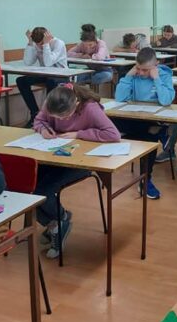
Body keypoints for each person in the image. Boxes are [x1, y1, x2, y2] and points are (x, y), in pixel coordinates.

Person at [33, 83, 121, 259]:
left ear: (76, 104)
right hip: (53, 156)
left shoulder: (90, 108)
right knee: (28, 188)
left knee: (42, 191)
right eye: (56, 117)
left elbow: (113, 135)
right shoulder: (52, 101)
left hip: (81, 162)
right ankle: (58, 222)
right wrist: (43, 129)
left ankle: (57, 223)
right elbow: (39, 120)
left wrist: (79, 134)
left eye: (64, 117)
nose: (61, 120)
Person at [115, 47, 175, 199]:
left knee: (149, 139)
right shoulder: (134, 75)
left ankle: (145, 180)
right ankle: (159, 132)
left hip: (156, 117)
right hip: (137, 118)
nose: (141, 73)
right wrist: (128, 75)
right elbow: (119, 98)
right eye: (138, 68)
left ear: (156, 65)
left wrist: (156, 79)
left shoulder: (164, 76)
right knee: (111, 121)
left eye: (146, 70)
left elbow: (166, 100)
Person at [17, 26, 68, 125]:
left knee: (51, 81)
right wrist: (30, 43)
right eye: (37, 44)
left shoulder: (59, 43)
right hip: (45, 74)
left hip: (61, 74)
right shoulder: (36, 44)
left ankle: (48, 116)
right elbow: (28, 62)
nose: (39, 46)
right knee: (21, 81)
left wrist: (46, 44)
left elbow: (48, 62)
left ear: (47, 38)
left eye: (41, 43)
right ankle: (35, 114)